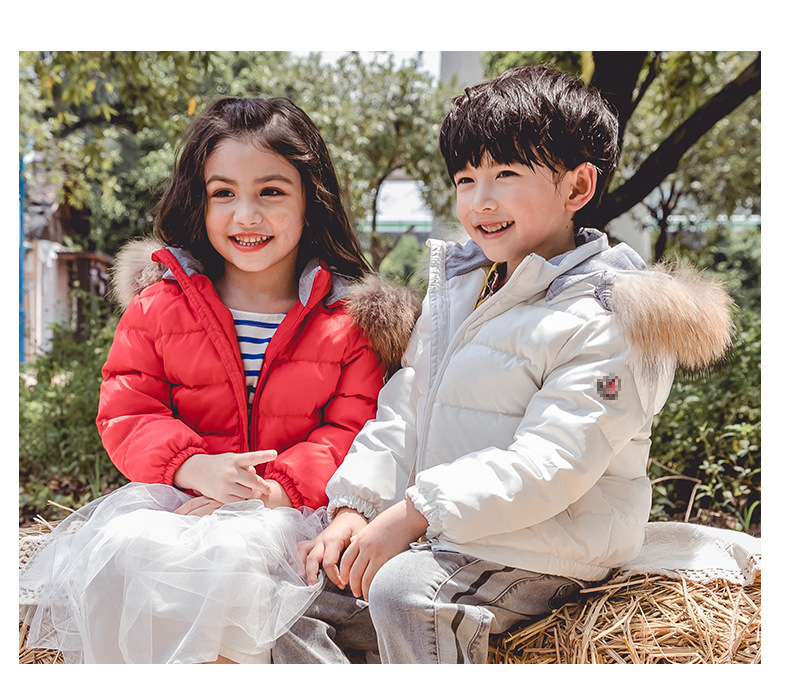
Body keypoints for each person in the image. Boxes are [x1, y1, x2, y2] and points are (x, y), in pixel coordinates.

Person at [273, 66, 735, 664]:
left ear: (577, 187)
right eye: (466, 179)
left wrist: (415, 513)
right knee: (293, 594)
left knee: (409, 594)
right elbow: (403, 411)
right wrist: (353, 508)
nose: (480, 200)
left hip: (547, 549)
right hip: (446, 535)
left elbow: (552, 463)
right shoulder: (461, 290)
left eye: (506, 174)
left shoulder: (606, 314)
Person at [19, 96, 419, 664]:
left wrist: (270, 490)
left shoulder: (348, 321)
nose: (246, 216)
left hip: (290, 510)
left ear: (312, 200)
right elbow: (128, 408)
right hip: (181, 498)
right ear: (198, 202)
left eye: (271, 192)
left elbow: (352, 427)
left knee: (237, 561)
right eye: (223, 193)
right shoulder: (161, 306)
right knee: (129, 551)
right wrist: (192, 466)